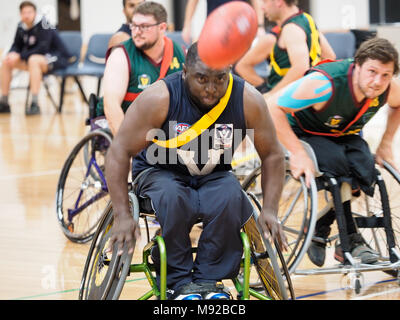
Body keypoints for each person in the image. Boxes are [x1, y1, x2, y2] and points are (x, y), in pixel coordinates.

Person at [105, 42, 288, 300]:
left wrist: (270, 209)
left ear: (230, 72)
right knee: (173, 196)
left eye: (220, 79)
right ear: (185, 72)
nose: (211, 89)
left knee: (231, 195)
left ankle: (209, 281)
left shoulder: (248, 99)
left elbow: (273, 154)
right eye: (202, 79)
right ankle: (176, 281)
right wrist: (122, 214)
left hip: (213, 173)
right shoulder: (160, 97)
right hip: (160, 171)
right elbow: (118, 151)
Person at [266, 37, 400, 267]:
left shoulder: (387, 89)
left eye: (385, 75)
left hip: (341, 133)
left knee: (365, 169)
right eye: (372, 71)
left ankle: (321, 226)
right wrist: (297, 152)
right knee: (338, 166)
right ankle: (351, 239)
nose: (378, 81)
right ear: (356, 65)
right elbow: (272, 107)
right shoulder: (324, 84)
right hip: (302, 131)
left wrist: (386, 142)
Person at [98, 1, 186, 135]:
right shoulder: (120, 55)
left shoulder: (179, 52)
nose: (137, 32)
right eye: (134, 26)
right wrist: (126, 148)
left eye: (144, 27)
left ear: (162, 28)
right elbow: (111, 106)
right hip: (130, 128)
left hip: (165, 128)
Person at [236, 0, 335, 96]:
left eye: (265, 1)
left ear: (279, 1)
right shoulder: (308, 19)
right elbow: (330, 56)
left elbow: (300, 68)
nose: (262, 7)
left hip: (287, 103)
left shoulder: (289, 29)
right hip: (307, 96)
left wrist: (271, 93)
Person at [0, 1, 72, 115]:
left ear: (35, 13)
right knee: (6, 60)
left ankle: (34, 104)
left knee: (33, 60)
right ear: (20, 14)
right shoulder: (21, 26)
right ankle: (4, 102)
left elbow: (43, 48)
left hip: (57, 58)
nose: (26, 15)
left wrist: (20, 56)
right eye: (24, 13)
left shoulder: (44, 24)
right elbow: (16, 45)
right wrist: (13, 53)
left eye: (29, 12)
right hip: (35, 59)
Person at [181, 0, 266, 44]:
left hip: (239, 28)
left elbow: (257, 1)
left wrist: (260, 27)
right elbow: (192, 2)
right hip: (214, 29)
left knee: (239, 67)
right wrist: (187, 26)